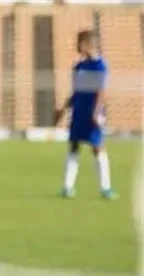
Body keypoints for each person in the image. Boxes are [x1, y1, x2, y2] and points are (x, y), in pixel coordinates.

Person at [54, 30, 116, 200]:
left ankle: (106, 189)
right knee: (73, 147)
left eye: (79, 42)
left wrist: (96, 113)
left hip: (91, 114)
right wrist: (64, 109)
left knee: (97, 147)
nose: (76, 46)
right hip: (78, 113)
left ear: (87, 44)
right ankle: (67, 187)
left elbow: (101, 92)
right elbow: (76, 92)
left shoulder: (100, 66)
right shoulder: (79, 67)